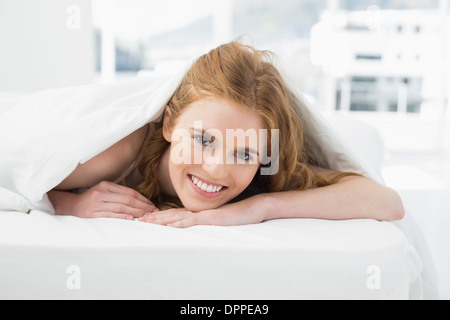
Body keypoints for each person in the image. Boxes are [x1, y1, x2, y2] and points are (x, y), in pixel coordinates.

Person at [47, 41, 405, 227]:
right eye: (203, 140)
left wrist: (259, 208)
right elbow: (20, 173)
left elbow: (388, 202)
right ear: (169, 124)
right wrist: (69, 204)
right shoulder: (119, 150)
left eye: (244, 154)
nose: (218, 170)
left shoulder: (263, 176)